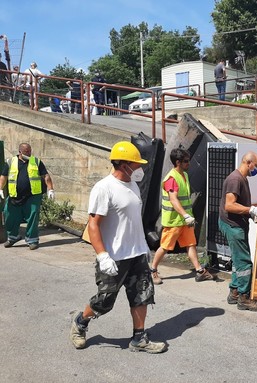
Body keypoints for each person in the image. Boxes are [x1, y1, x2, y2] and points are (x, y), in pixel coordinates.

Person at [69, 141, 167, 353]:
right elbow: (93, 225)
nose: (140, 168)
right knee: (104, 301)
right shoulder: (104, 188)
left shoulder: (132, 185)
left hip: (137, 254)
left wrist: (143, 249)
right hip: (114, 257)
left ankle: (139, 338)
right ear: (124, 165)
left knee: (142, 294)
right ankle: (80, 322)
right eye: (136, 164)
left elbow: (132, 220)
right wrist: (103, 256)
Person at [150, 148, 216, 284]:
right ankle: (152, 270)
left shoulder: (184, 175)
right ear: (178, 162)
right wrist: (186, 215)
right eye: (186, 161)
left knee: (190, 244)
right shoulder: (171, 179)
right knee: (165, 246)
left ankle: (199, 271)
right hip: (174, 220)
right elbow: (173, 199)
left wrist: (187, 217)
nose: (189, 163)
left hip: (185, 220)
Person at [218, 151, 257, 311]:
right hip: (233, 226)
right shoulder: (235, 179)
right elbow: (229, 205)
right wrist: (251, 210)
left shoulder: (242, 178)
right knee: (244, 262)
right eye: (256, 166)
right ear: (249, 163)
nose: (256, 169)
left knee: (238, 260)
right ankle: (244, 298)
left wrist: (252, 210)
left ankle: (235, 291)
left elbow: (239, 204)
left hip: (235, 224)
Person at [0, 143, 55, 250]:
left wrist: (50, 189)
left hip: (32, 196)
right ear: (20, 152)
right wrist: (0, 188)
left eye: (30, 151)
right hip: (14, 196)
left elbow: (46, 176)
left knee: (33, 217)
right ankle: (13, 237)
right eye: (26, 152)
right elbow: (3, 176)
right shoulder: (10, 162)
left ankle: (32, 240)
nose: (29, 154)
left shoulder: (36, 162)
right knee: (9, 215)